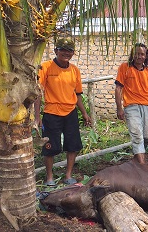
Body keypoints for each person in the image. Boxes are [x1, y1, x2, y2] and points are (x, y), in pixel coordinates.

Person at [34, 38, 91, 186]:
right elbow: (38, 93)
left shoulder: (74, 70)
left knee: (73, 145)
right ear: (56, 51)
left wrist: (84, 113)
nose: (66, 53)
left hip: (70, 112)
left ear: (73, 53)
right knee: (50, 146)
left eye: (69, 51)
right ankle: (50, 177)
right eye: (63, 50)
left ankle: (68, 175)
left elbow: (77, 94)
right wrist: (37, 117)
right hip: (52, 112)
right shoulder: (45, 67)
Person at [115, 43, 148, 164]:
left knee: (146, 137)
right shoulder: (125, 67)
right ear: (133, 55)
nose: (139, 56)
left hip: (146, 106)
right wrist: (119, 108)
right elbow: (118, 88)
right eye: (137, 54)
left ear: (146, 56)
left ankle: (137, 158)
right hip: (131, 106)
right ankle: (142, 166)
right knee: (137, 135)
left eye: (142, 54)